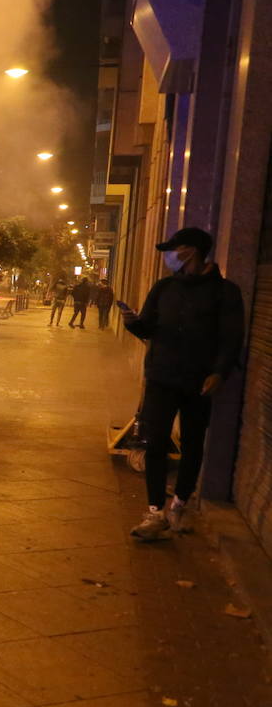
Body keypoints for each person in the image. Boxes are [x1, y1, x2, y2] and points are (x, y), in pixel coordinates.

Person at [123, 226, 244, 542]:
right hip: (162, 377)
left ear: (190, 251)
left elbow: (232, 339)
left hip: (198, 382)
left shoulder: (225, 292)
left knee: (192, 443)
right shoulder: (164, 288)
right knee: (156, 441)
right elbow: (149, 329)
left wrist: (219, 372)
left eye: (173, 250)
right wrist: (134, 324)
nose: (169, 257)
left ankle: (179, 504)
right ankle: (155, 513)